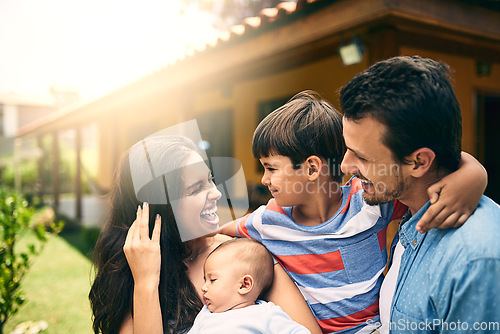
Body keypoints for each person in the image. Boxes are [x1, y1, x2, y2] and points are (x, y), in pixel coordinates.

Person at [220, 90, 487, 334]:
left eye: (271, 168)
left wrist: (474, 174)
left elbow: (426, 176)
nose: (264, 179)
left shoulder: (369, 201)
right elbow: (217, 233)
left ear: (312, 169)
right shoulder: (269, 220)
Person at [89, 135, 321, 334]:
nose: (216, 193)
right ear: (163, 207)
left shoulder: (242, 256)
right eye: (196, 188)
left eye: (209, 179)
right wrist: (146, 282)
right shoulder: (135, 268)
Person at [339, 55, 500, 333]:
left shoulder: (476, 260)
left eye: (362, 157)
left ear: (419, 162)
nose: (345, 166)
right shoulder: (406, 210)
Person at [188, 238, 310, 334]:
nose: (203, 287)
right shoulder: (205, 314)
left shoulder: (265, 314)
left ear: (244, 285)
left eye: (212, 280)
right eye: (205, 280)